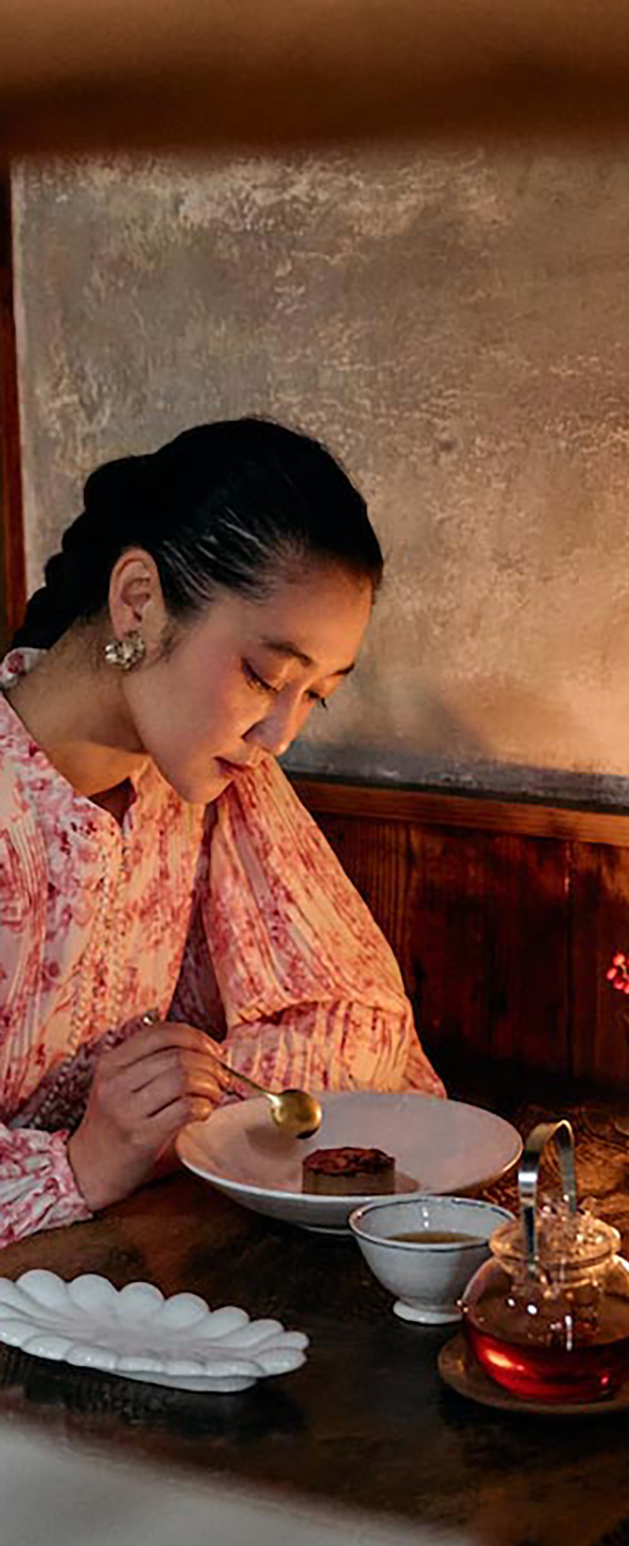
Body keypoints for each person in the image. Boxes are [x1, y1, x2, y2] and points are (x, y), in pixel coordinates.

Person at [0, 417, 442, 1248]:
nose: (280, 732)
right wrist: (84, 1164)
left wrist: (174, 1126)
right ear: (139, 599)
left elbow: (357, 1018)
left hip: (127, 1271)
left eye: (316, 695)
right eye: (263, 676)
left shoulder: (207, 777)